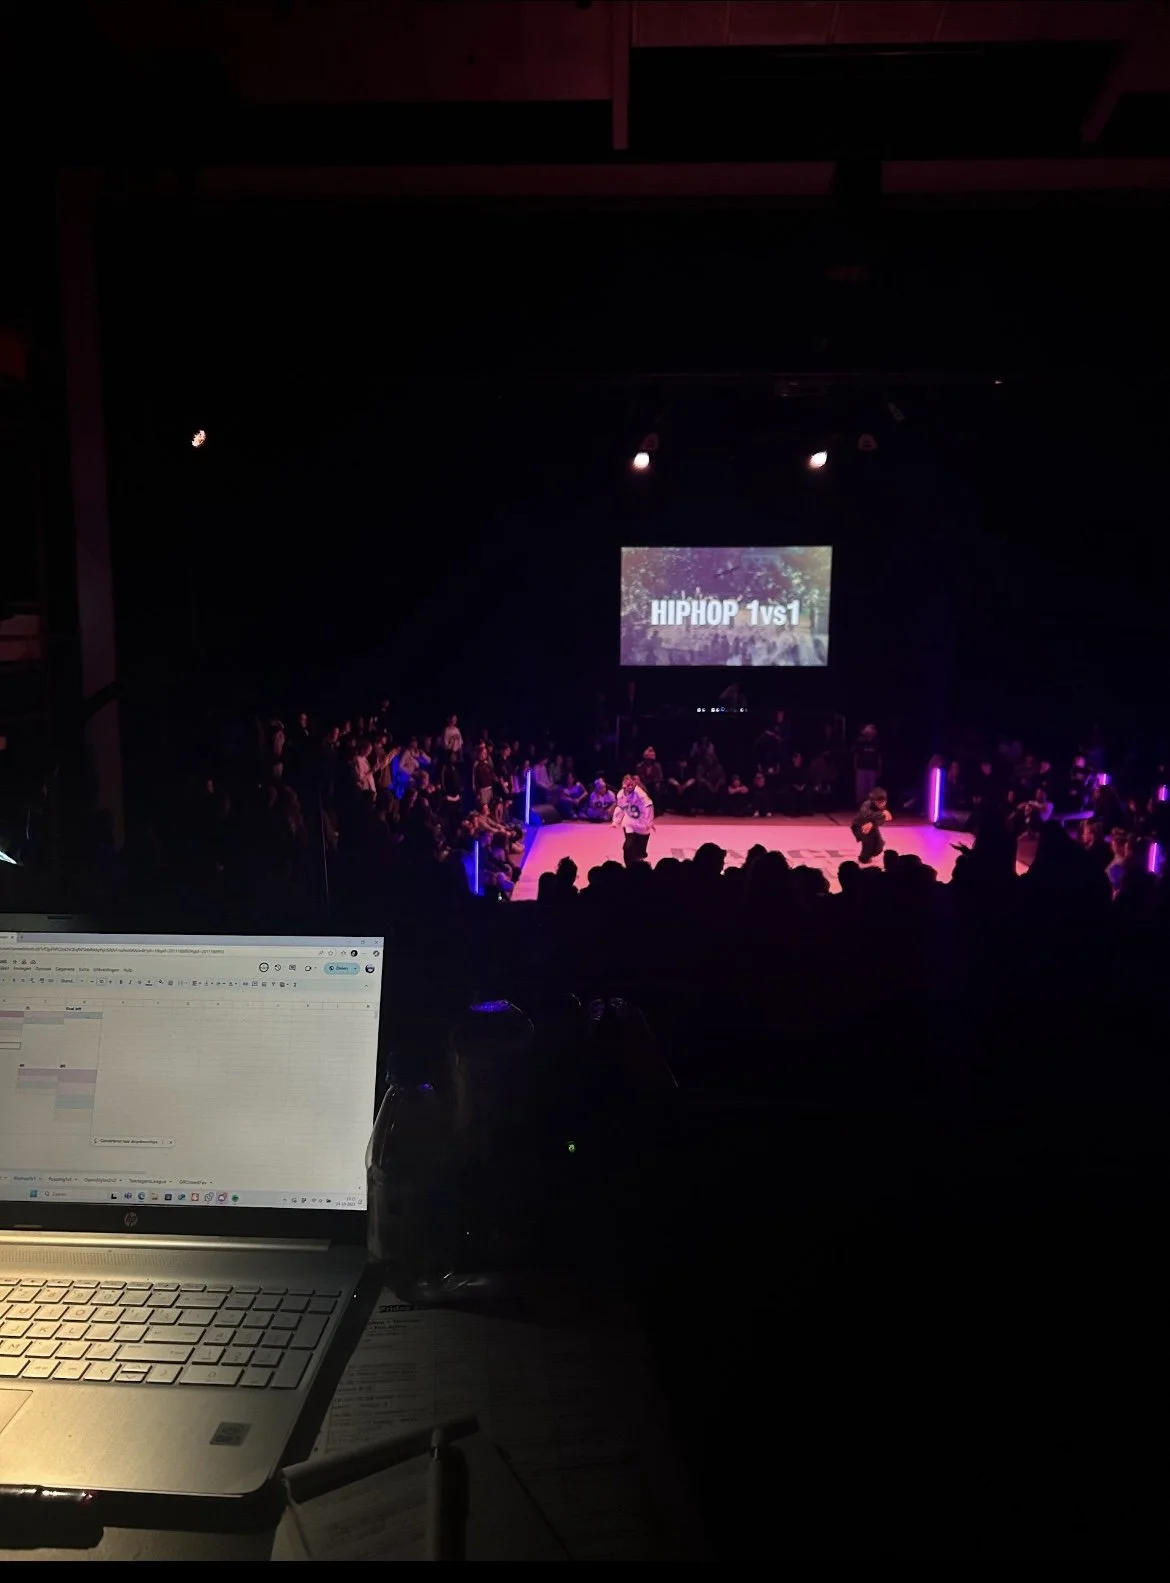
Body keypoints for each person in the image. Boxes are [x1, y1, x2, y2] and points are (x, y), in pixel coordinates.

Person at [612, 773, 654, 867]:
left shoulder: (640, 793)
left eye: (631, 784)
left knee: (641, 851)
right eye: (626, 784)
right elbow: (620, 808)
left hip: (643, 824)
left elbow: (649, 805)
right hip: (629, 823)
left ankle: (638, 863)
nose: (628, 787)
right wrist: (616, 821)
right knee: (628, 846)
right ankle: (629, 866)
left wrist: (649, 821)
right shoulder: (620, 795)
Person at [851, 785, 892, 865]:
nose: (881, 804)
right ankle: (863, 859)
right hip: (859, 825)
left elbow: (882, 820)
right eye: (878, 802)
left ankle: (868, 856)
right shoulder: (866, 804)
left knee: (879, 845)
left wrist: (872, 823)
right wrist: (882, 813)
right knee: (868, 843)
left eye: (883, 802)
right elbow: (866, 814)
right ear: (873, 801)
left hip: (872, 826)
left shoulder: (882, 806)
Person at [852, 723, 882, 807]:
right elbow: (856, 755)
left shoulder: (877, 743)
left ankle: (871, 804)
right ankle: (860, 803)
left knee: (872, 787)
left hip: (872, 768)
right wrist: (855, 766)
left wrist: (879, 769)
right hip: (861, 767)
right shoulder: (860, 742)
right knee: (861, 787)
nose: (870, 733)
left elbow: (879, 757)